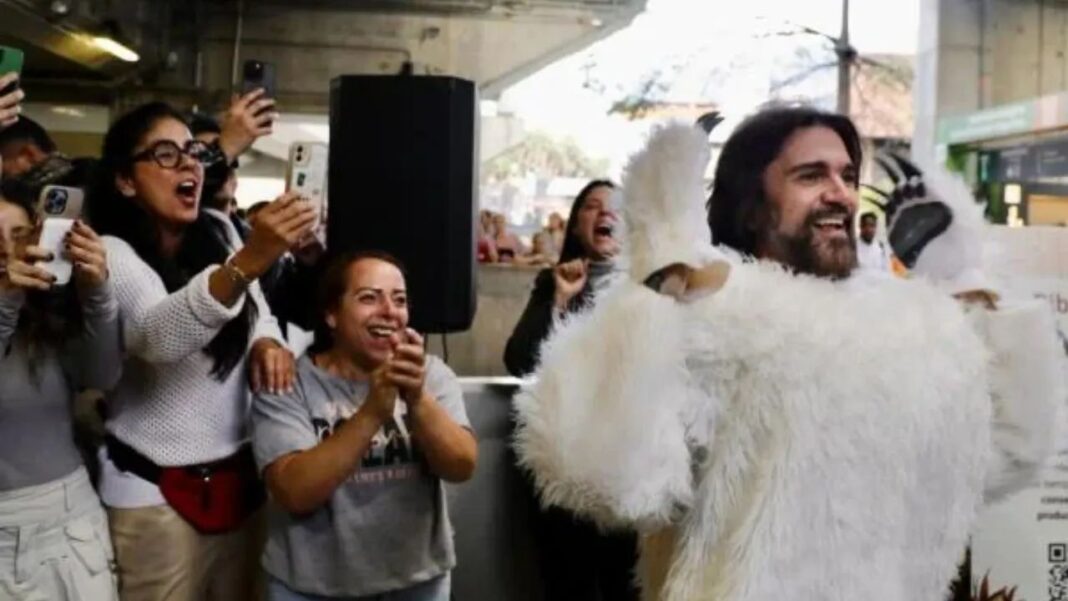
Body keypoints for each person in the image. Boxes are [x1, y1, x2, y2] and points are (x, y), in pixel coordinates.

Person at [513, 109, 1063, 601]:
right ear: (752, 206)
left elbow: (1004, 457)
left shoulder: (911, 326)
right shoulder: (712, 314)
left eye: (847, 176)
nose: (840, 193)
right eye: (810, 175)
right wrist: (657, 278)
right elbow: (612, 483)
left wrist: (962, 278)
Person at [87, 101, 317, 601]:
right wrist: (254, 257)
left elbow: (257, 311)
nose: (190, 164)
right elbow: (157, 337)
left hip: (240, 483)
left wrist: (268, 342)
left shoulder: (218, 233)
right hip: (153, 493)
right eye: (165, 155)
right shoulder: (112, 251)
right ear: (125, 181)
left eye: (192, 153)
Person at [251, 250, 477, 601]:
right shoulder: (290, 382)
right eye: (369, 298)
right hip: (313, 588)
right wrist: (372, 413)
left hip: (417, 582)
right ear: (331, 314)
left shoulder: (431, 375)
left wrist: (416, 398)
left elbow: (462, 465)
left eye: (399, 300)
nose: (389, 310)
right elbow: (294, 493)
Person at [504, 179, 639, 601]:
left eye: (615, 206)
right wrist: (560, 301)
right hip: (565, 464)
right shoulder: (555, 282)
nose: (605, 213)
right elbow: (521, 359)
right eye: (592, 207)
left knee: (627, 584)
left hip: (629, 466)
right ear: (577, 223)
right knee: (568, 585)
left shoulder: (646, 286)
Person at [0, 156, 121, 600]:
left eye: (17, 236)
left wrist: (97, 292)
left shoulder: (50, 312)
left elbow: (102, 375)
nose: (6, 250)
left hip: (65, 522)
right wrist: (5, 300)